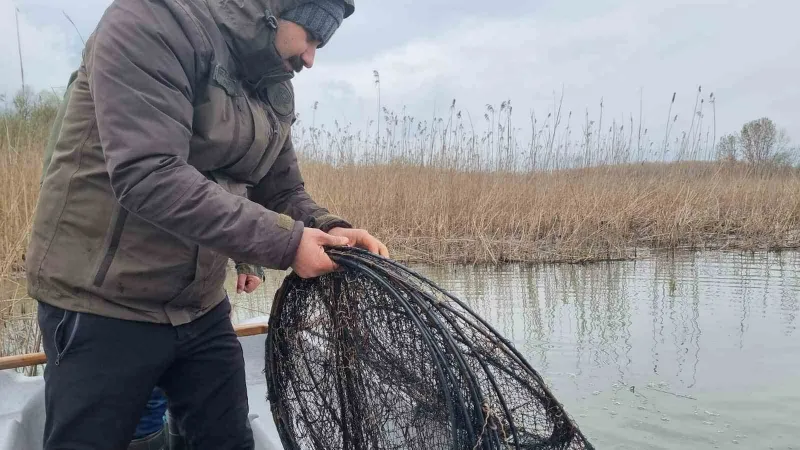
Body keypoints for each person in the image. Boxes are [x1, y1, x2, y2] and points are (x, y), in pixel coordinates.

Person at [26, 0, 388, 448]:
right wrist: (288, 243)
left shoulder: (270, 80)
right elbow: (149, 175)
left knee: (227, 439)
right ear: (274, 9)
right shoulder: (151, 20)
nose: (311, 59)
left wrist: (328, 227)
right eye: (312, 37)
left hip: (199, 306)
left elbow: (281, 191)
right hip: (100, 303)